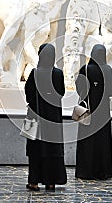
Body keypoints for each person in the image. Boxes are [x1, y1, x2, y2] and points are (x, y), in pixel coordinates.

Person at [25, 43, 67, 191]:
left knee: (36, 151)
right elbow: (61, 93)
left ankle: (34, 182)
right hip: (53, 119)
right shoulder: (58, 74)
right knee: (52, 150)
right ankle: (51, 182)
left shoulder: (34, 73)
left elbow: (28, 94)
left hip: (36, 118)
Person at [75, 44, 112, 180]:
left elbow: (79, 90)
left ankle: (85, 172)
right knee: (102, 141)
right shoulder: (108, 70)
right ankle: (103, 171)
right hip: (103, 112)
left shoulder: (85, 69)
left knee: (86, 141)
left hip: (88, 112)